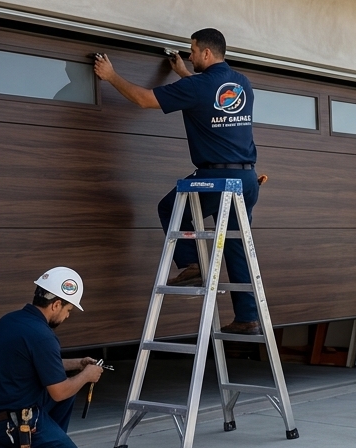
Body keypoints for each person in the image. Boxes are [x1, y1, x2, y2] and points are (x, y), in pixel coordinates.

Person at [93, 28, 261, 334]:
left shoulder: (200, 86)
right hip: (246, 178)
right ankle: (248, 316)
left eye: (193, 50)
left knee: (171, 207)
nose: (191, 55)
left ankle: (192, 265)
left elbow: (144, 100)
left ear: (207, 53)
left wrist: (111, 76)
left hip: (217, 175)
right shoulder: (241, 83)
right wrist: (184, 73)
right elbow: (207, 96)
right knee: (236, 244)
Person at [0, 267, 103, 448]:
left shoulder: (11, 321)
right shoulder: (42, 336)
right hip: (8, 421)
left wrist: (78, 364)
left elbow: (39, 365)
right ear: (56, 304)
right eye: (68, 309)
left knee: (67, 391)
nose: (68, 315)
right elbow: (58, 391)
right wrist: (87, 376)